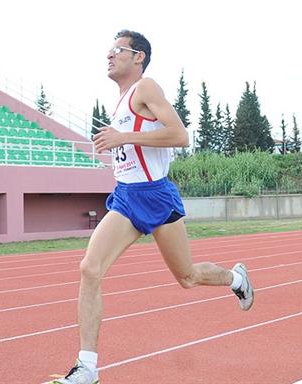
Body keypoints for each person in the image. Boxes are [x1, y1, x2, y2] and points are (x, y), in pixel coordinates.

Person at [48, 30, 254, 384]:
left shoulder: (146, 88)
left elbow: (180, 135)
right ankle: (87, 369)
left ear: (138, 56)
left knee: (187, 277)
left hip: (156, 195)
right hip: (127, 196)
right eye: (109, 50)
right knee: (90, 269)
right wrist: (117, 144)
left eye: (118, 50)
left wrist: (123, 137)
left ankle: (236, 278)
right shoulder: (120, 100)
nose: (109, 55)